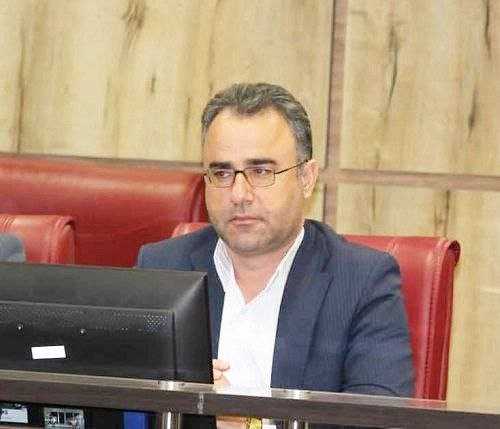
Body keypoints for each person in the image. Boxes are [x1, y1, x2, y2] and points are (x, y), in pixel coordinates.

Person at [137, 82, 414, 416]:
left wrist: (243, 423)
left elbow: (380, 419)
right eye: (222, 173)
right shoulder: (162, 268)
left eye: (260, 171)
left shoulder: (362, 281)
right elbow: (115, 407)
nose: (239, 194)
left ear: (306, 178)